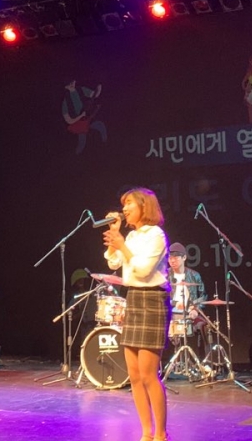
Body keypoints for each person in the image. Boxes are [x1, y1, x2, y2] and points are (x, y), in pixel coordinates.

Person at [102, 187, 171, 441]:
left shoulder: (156, 235)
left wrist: (122, 245)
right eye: (124, 204)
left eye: (129, 203)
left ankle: (161, 434)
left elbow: (142, 269)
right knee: (134, 375)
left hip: (153, 300)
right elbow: (113, 263)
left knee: (148, 374)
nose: (125, 208)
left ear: (144, 206)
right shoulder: (130, 236)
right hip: (133, 298)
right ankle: (146, 433)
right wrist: (116, 238)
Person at [167, 243, 206, 345]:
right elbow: (161, 296)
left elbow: (203, 296)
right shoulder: (165, 275)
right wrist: (175, 303)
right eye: (170, 258)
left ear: (184, 257)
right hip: (171, 313)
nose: (172, 260)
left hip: (189, 313)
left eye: (176, 257)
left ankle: (201, 354)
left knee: (204, 326)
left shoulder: (194, 275)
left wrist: (196, 309)